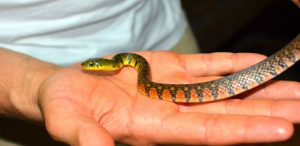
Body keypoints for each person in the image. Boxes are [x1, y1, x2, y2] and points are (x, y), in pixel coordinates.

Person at [0, 0, 300, 146]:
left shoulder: (137, 69)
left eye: (93, 65)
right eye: (91, 66)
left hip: (165, 32)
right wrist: (34, 84)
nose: (89, 67)